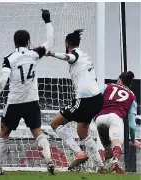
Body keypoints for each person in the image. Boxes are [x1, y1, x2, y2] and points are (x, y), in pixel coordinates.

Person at [0, 9, 55, 175]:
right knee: (37, 132)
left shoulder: (9, 58)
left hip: (15, 102)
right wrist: (47, 20)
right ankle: (49, 160)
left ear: (15, 42)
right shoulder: (35, 53)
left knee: (4, 132)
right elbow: (51, 41)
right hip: (32, 100)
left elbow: (3, 80)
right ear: (28, 41)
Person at [46, 29, 107, 172]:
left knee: (55, 123)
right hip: (97, 99)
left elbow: (70, 57)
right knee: (82, 132)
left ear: (67, 44)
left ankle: (79, 154)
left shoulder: (75, 55)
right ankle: (101, 167)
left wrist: (52, 54)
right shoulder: (85, 55)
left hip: (85, 99)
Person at [95, 71, 141, 173]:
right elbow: (132, 125)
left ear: (119, 80)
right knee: (117, 145)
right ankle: (115, 162)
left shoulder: (107, 86)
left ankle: (102, 161)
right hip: (115, 118)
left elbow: (95, 98)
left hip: (100, 118)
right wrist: (133, 140)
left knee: (108, 149)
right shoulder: (132, 96)